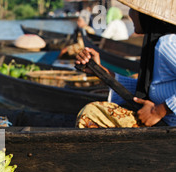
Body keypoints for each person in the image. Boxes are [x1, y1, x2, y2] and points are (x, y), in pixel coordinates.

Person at [75, 0, 176, 128]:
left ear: (146, 15)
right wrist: (102, 72)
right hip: (163, 124)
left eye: (133, 10)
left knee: (91, 113)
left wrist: (159, 111)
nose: (129, 14)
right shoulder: (155, 43)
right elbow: (151, 88)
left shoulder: (167, 44)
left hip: (169, 126)